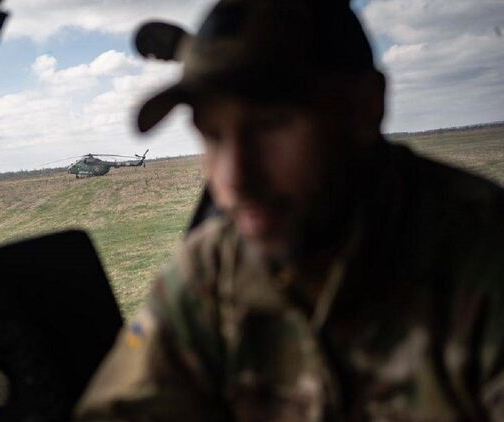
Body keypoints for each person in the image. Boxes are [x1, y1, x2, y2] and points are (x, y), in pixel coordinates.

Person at [75, 0, 504, 420]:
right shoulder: (215, 264)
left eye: (270, 124)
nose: (236, 179)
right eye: (213, 135)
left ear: (366, 109)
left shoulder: (481, 254)